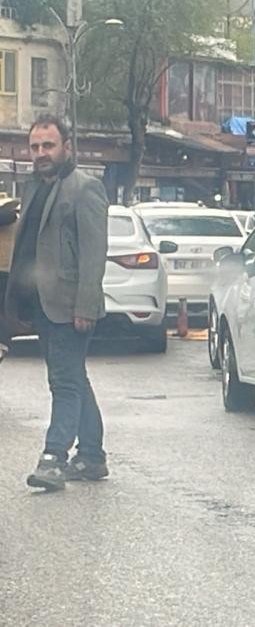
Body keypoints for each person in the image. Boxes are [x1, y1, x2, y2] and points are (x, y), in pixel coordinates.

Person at [3, 116, 111, 491]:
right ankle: (93, 456)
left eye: (48, 145)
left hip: (69, 304)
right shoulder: (33, 189)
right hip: (40, 304)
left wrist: (85, 305)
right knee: (74, 378)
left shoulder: (85, 188)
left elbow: (94, 254)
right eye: (35, 147)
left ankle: (53, 458)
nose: (41, 153)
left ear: (67, 146)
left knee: (63, 382)